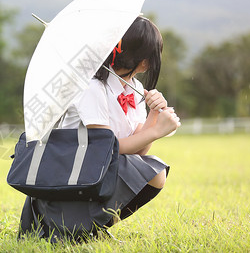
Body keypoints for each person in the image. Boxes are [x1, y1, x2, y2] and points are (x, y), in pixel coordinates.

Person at [18, 16, 181, 242]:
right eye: (154, 54)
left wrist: (154, 115)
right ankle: (72, 224)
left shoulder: (134, 87)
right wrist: (155, 131)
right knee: (149, 171)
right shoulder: (91, 86)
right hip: (69, 169)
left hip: (95, 167)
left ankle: (92, 228)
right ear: (143, 59)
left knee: (153, 171)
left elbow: (139, 151)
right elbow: (106, 149)